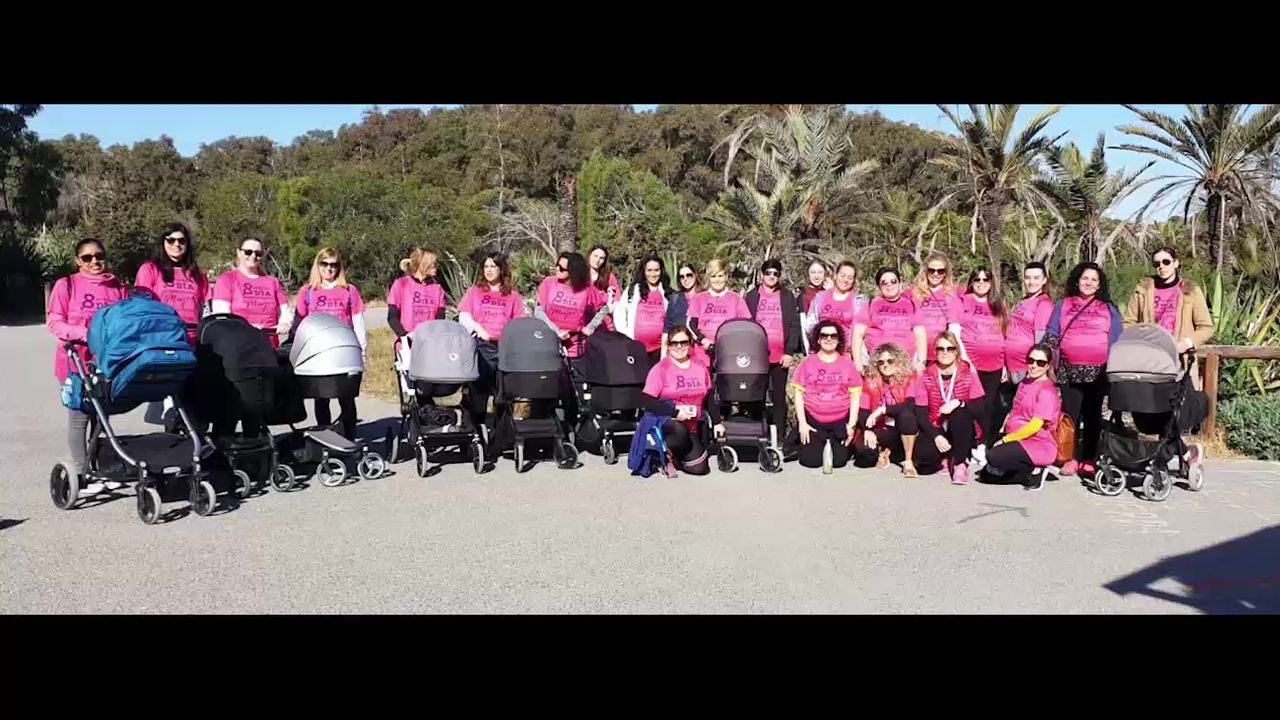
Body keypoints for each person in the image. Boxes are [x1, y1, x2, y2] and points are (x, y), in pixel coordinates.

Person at [47, 238, 128, 493]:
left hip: (106, 362)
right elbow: (55, 323)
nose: (95, 262)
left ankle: (100, 467)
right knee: (79, 416)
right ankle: (81, 474)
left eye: (99, 256)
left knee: (102, 417)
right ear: (77, 261)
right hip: (75, 362)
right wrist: (86, 333)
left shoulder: (117, 286)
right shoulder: (66, 285)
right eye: (87, 257)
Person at [1122, 245, 1214, 466]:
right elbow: (1128, 322)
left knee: (1174, 410)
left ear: (1176, 262)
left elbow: (1206, 327)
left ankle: (1163, 461)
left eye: (1165, 262)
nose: (1161, 267)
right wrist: (1140, 340)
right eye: (1157, 263)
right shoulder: (1143, 289)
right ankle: (1185, 454)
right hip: (1149, 361)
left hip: (1178, 362)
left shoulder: (1191, 290)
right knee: (1150, 411)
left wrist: (1186, 343)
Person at [1045, 262, 1124, 477]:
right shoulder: (1063, 305)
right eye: (1085, 278)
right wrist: (1047, 363)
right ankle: (1069, 458)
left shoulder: (1108, 309)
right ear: (1077, 280)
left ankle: (1088, 458)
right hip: (1069, 370)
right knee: (1070, 416)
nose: (1088, 282)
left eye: (1093, 280)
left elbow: (1117, 339)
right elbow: (1051, 335)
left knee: (1092, 416)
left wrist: (1115, 369)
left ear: (1099, 285)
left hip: (1098, 372)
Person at [291, 247, 367, 440]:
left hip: (343, 352)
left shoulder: (349, 291)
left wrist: (362, 351)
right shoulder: (307, 292)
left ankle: (350, 438)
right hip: (319, 353)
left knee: (347, 399)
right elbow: (300, 325)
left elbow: (358, 322)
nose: (329, 269)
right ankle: (325, 438)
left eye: (334, 265)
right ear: (318, 265)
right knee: (321, 398)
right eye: (324, 264)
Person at [638, 325, 725, 476]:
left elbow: (709, 397)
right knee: (679, 429)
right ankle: (664, 452)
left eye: (683, 342)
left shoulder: (700, 366)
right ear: (668, 345)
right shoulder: (660, 369)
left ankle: (676, 459)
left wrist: (717, 422)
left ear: (690, 343)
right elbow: (647, 401)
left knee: (700, 469)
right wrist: (675, 412)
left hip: (692, 426)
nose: (679, 347)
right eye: (674, 343)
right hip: (668, 423)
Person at [980, 343, 1062, 492]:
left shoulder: (1046, 390)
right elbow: (1014, 410)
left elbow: (1034, 426)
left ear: (1048, 365)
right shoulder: (1025, 382)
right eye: (1030, 360)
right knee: (986, 475)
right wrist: (1002, 432)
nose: (1034, 366)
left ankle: (1036, 470)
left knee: (993, 456)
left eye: (1040, 363)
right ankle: (1021, 472)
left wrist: (1005, 440)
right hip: (1017, 438)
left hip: (1038, 443)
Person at [915, 331, 987, 485]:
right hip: (937, 423)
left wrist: (959, 402)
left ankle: (960, 463)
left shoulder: (969, 372)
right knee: (924, 460)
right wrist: (936, 436)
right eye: (941, 349)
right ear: (935, 352)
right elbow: (920, 414)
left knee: (959, 413)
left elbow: (980, 409)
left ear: (956, 351)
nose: (945, 352)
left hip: (962, 425)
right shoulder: (925, 375)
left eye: (950, 348)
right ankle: (945, 457)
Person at [790, 320, 862, 469]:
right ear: (818, 339)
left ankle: (834, 442)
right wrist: (803, 423)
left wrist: (851, 425)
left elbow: (855, 396)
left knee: (838, 462)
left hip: (839, 421)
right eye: (824, 335)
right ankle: (803, 440)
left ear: (839, 339)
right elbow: (798, 394)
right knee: (810, 461)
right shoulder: (807, 363)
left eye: (833, 336)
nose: (829, 339)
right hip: (814, 421)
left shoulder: (847, 364)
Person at [853, 342, 932, 477]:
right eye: (881, 362)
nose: (886, 364)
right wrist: (868, 430)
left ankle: (908, 462)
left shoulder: (910, 379)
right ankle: (886, 451)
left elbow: (910, 405)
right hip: (882, 427)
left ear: (898, 361)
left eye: (890, 361)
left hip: (906, 427)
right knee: (863, 452)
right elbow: (864, 410)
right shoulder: (870, 382)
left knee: (906, 415)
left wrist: (883, 410)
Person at [745, 258, 802, 441]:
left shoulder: (787, 297)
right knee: (756, 395)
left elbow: (794, 325)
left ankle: (779, 436)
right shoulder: (751, 296)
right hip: (757, 356)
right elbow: (745, 324)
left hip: (780, 356)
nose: (771, 276)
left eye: (775, 273)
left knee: (778, 398)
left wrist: (790, 352)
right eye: (768, 273)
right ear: (762, 275)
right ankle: (757, 433)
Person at [959, 266, 1009, 463]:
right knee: (971, 405)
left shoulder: (998, 304)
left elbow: (1005, 334)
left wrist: (1005, 364)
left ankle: (982, 444)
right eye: (977, 279)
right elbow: (955, 329)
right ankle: (968, 443)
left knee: (989, 407)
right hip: (971, 364)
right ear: (971, 282)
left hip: (995, 364)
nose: (981, 283)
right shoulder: (963, 301)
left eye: (985, 279)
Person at [133, 223, 210, 345]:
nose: (176, 244)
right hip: (161, 334)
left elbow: (206, 308)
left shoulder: (198, 274)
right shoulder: (149, 269)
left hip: (193, 337)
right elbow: (142, 306)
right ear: (163, 242)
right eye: (171, 240)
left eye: (181, 240)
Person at [387, 246, 448, 394]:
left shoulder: (437, 288)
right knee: (413, 388)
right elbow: (392, 317)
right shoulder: (401, 284)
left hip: (429, 344)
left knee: (427, 387)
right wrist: (404, 334)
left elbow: (440, 318)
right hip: (407, 343)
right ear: (422, 264)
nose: (436, 266)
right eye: (433, 263)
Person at [211, 238, 290, 348]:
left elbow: (285, 312)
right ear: (239, 253)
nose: (253, 256)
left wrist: (285, 323)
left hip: (269, 346)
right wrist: (247, 328)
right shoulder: (226, 280)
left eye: (258, 253)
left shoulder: (272, 282)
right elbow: (222, 318)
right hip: (239, 346)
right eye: (248, 252)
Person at [852, 267, 926, 375]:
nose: (889, 285)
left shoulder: (912, 305)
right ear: (879, 286)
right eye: (884, 282)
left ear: (900, 284)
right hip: (878, 364)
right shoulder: (870, 305)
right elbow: (858, 334)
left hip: (905, 365)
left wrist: (921, 362)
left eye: (893, 281)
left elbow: (920, 334)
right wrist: (858, 366)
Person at [687, 259, 750, 365]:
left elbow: (746, 326)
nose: (717, 280)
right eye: (713, 276)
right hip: (703, 355)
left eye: (720, 276)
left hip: (729, 355)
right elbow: (690, 325)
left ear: (726, 277)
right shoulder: (699, 298)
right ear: (708, 278)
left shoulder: (737, 299)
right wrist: (704, 341)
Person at [613, 254, 673, 365]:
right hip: (635, 349)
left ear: (661, 271)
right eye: (649, 270)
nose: (653, 274)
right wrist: (627, 337)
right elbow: (619, 314)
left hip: (661, 350)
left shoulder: (669, 293)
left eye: (656, 270)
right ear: (644, 271)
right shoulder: (633, 290)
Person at [805, 260, 866, 359]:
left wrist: (851, 350)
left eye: (850, 278)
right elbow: (810, 325)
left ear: (854, 281)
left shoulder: (859, 302)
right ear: (835, 275)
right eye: (842, 275)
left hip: (846, 354)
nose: (845, 280)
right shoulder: (820, 297)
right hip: (821, 352)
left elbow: (860, 331)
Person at [912, 252, 964, 364]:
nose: (936, 274)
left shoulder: (953, 293)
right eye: (932, 270)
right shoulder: (913, 293)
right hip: (919, 354)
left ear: (946, 273)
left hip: (943, 353)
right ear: (925, 271)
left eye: (940, 271)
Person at [798, 259, 832, 352]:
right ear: (808, 275)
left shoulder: (830, 292)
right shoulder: (803, 295)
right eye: (813, 272)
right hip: (813, 345)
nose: (816, 276)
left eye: (820, 272)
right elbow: (804, 325)